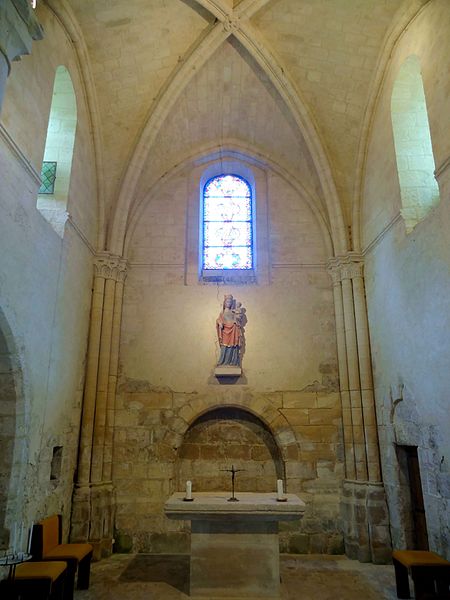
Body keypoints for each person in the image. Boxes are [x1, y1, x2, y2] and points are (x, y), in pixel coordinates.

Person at [216, 295, 243, 366]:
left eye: (230, 302)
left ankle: (232, 362)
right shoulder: (222, 312)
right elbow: (219, 319)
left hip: (233, 330)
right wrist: (219, 322)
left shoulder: (233, 312)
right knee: (224, 346)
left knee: (232, 346)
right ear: (224, 303)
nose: (229, 303)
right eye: (227, 301)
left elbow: (237, 319)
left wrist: (237, 319)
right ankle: (223, 361)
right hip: (225, 331)